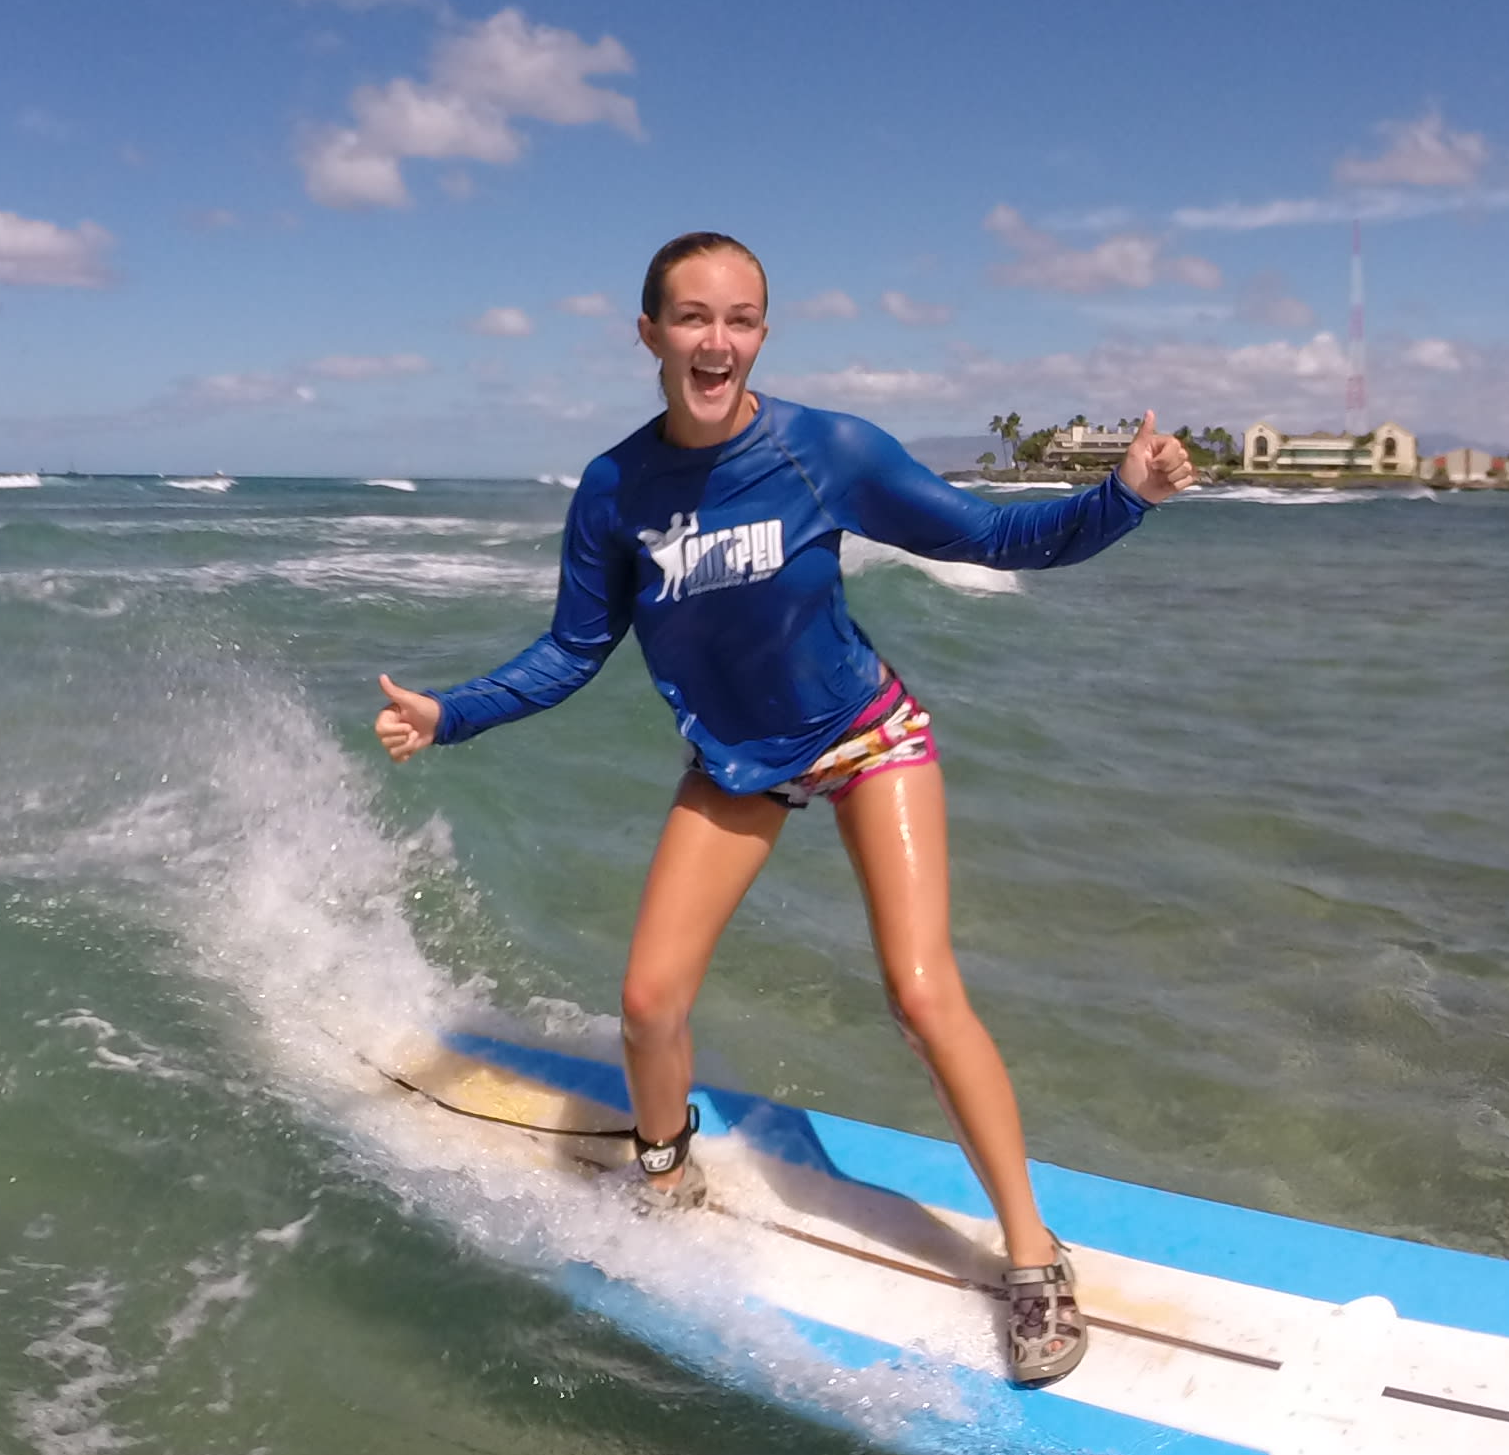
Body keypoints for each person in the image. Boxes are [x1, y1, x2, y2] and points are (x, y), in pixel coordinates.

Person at [371, 231, 1196, 1384]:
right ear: (648, 333)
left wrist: (1123, 498)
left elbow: (989, 534)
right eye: (693, 317)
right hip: (736, 762)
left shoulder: (824, 449)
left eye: (741, 318)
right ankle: (664, 1174)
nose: (717, 341)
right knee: (648, 1003)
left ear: (762, 333)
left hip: (867, 736)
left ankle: (1030, 1256)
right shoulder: (615, 491)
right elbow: (571, 651)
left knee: (919, 994)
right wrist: (448, 714)